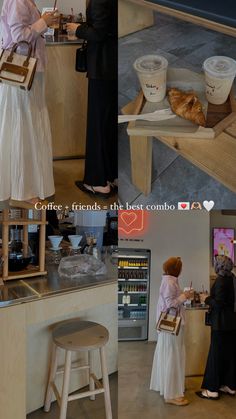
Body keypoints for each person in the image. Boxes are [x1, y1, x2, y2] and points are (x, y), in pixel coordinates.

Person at [0, 0, 56, 207]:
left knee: (27, 124)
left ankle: (27, 184)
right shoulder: (17, 0)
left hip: (26, 71)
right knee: (24, 126)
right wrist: (43, 22)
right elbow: (18, 36)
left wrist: (43, 22)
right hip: (22, 72)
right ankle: (23, 189)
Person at [67, 0, 117, 199]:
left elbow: (99, 32)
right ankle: (111, 176)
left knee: (97, 125)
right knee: (109, 124)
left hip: (102, 68)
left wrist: (77, 28)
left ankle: (97, 182)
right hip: (113, 67)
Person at [150, 257, 192, 406]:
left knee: (169, 354)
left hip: (169, 325)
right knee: (172, 356)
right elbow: (170, 304)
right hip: (172, 325)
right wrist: (184, 296)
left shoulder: (169, 280)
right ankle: (171, 394)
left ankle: (169, 387)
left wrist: (184, 297)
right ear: (177, 269)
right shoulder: (170, 282)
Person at [196, 255, 236, 400]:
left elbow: (218, 304)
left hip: (220, 324)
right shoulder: (232, 278)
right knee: (230, 355)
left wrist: (205, 298)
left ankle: (212, 390)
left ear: (219, 266)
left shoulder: (220, 280)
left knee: (215, 355)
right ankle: (229, 385)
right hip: (232, 323)